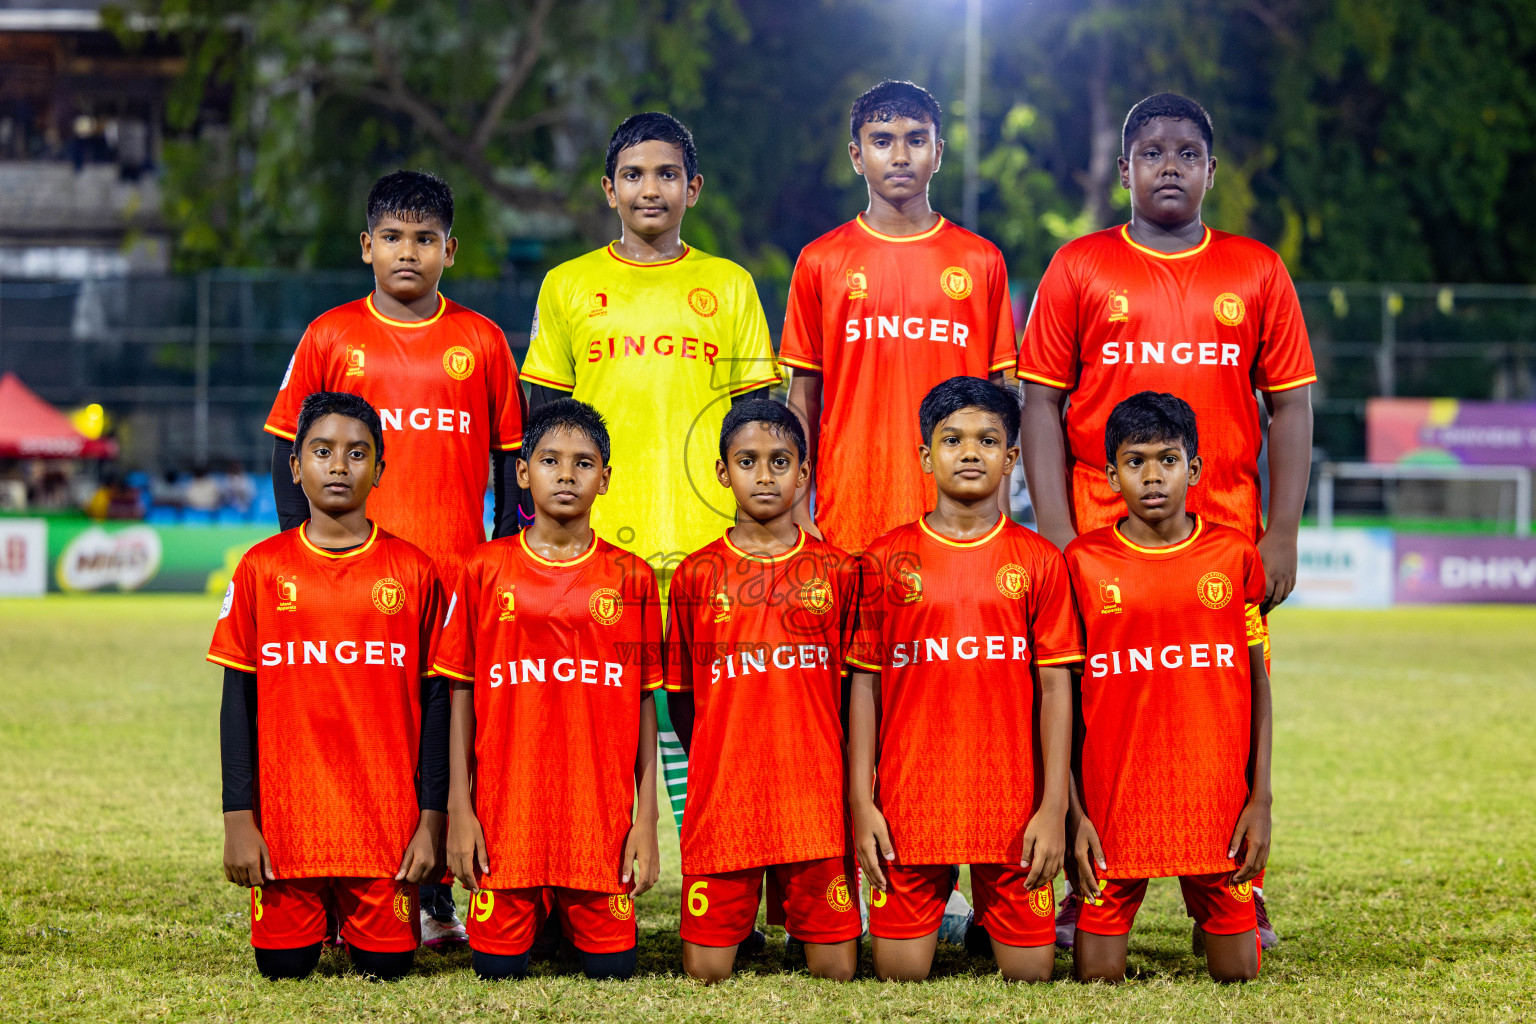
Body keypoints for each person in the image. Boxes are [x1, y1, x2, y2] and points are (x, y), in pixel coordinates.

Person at [1016, 92, 1313, 948]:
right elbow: (1041, 403)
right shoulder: (1079, 267)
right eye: (1152, 152)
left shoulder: (1257, 270)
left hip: (1223, 536)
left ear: (1213, 172)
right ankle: (1084, 870)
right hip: (1099, 540)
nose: (1170, 165)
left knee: (1220, 700)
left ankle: (1232, 877)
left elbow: (1289, 408)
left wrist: (1281, 531)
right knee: (1081, 701)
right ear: (1124, 173)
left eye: (1188, 152)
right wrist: (1063, 535)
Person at [264, 170, 524, 945]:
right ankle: (349, 882)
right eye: (392, 237)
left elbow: (512, 462)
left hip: (453, 576)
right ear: (366, 246)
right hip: (349, 581)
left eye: (424, 239)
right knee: (358, 731)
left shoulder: (480, 341)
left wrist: (503, 558)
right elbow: (286, 446)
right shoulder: (329, 334)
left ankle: (440, 892)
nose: (407, 252)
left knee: (449, 735)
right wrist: (297, 555)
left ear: (450, 249)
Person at [520, 111, 780, 826]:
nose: (650, 189)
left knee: (711, 724)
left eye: (667, 174)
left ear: (692, 188)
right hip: (594, 547)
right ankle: (583, 884)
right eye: (633, 175)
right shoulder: (567, 286)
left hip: (711, 547)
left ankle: (718, 882)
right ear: (609, 190)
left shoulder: (728, 286)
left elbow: (760, 426)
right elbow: (544, 423)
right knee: (588, 721)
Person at [846, 377, 1083, 982]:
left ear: (1011, 458)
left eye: (987, 440)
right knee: (899, 973)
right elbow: (865, 688)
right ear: (926, 456)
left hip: (1012, 812)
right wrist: (862, 801)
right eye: (952, 440)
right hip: (908, 806)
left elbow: (1056, 688)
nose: (970, 452)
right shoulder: (883, 559)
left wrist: (1053, 807)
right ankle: (951, 911)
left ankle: (983, 912)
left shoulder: (1038, 560)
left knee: (1031, 975)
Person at [209, 391, 449, 981]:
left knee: (387, 969)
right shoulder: (261, 569)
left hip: (386, 834)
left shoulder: (414, 571)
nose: (339, 466)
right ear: (296, 466)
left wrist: (432, 817)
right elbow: (237, 702)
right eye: (322, 451)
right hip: (288, 831)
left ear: (380, 470)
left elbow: (439, 706)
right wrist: (239, 819)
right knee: (282, 969)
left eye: (356, 453)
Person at [439, 399, 662, 982]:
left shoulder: (632, 576)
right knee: (497, 971)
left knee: (613, 972)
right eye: (550, 460)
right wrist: (460, 812)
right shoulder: (481, 570)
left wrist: (646, 822)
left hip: (600, 832)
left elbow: (643, 703)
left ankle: (569, 912)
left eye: (584, 463)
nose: (567, 475)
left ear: (605, 478)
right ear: (521, 471)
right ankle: (535, 910)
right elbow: (461, 696)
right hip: (506, 830)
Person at [1063, 391, 1271, 983]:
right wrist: (1076, 813)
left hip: (1214, 809)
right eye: (1134, 462)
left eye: (1168, 459)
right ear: (1110, 474)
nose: (1152, 476)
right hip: (1112, 813)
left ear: (1195, 468)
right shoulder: (1082, 562)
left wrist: (1261, 799)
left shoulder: (1233, 556)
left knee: (1239, 975)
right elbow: (1066, 705)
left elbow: (1258, 690)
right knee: (1097, 977)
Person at [665, 400, 862, 983]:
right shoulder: (697, 574)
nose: (765, 475)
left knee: (838, 972)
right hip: (727, 798)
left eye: (781, 461)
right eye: (748, 461)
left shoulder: (839, 571)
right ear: (723, 472)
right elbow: (683, 698)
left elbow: (854, 695)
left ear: (804, 473)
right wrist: (716, 759)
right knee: (706, 973)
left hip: (815, 800)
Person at [782, 80, 1018, 556]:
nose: (900, 155)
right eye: (882, 141)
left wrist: (1004, 514)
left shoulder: (981, 260)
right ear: (856, 155)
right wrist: (795, 512)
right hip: (847, 513)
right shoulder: (820, 260)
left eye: (916, 139)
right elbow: (803, 397)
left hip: (959, 515)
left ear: (938, 151)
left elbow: (1002, 402)